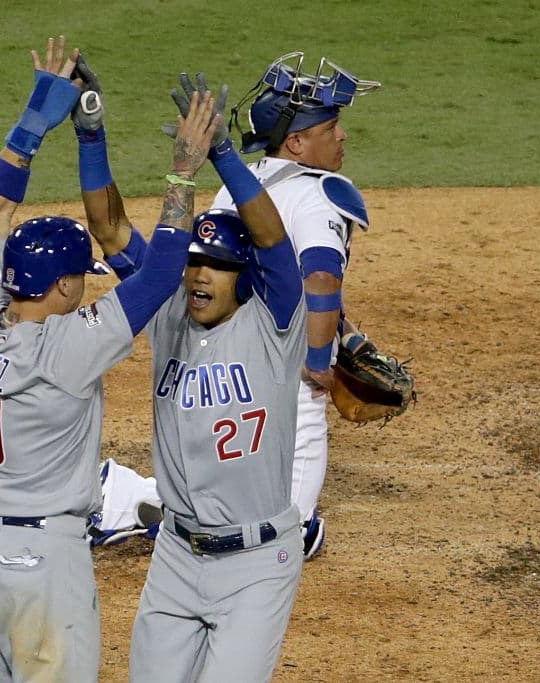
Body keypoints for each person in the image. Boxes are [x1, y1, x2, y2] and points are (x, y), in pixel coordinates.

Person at [0, 37, 221, 683]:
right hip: (39, 570)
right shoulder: (68, 348)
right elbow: (161, 274)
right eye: (81, 279)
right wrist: (183, 170)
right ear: (63, 286)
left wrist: (39, 117)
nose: (87, 287)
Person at [75, 65, 307, 682]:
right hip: (176, 555)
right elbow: (109, 229)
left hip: (256, 562)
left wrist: (223, 156)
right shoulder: (169, 309)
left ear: (246, 276)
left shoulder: (275, 322)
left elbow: (274, 239)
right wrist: (91, 135)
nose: (200, 275)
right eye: (194, 262)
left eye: (219, 265)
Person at [213, 52, 382, 560]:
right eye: (331, 127)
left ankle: (129, 497)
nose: (343, 137)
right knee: (290, 529)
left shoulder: (234, 186)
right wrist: (317, 362)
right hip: (285, 357)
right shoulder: (323, 192)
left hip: (224, 350)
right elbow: (321, 276)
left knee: (233, 464)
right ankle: (130, 500)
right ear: (296, 142)